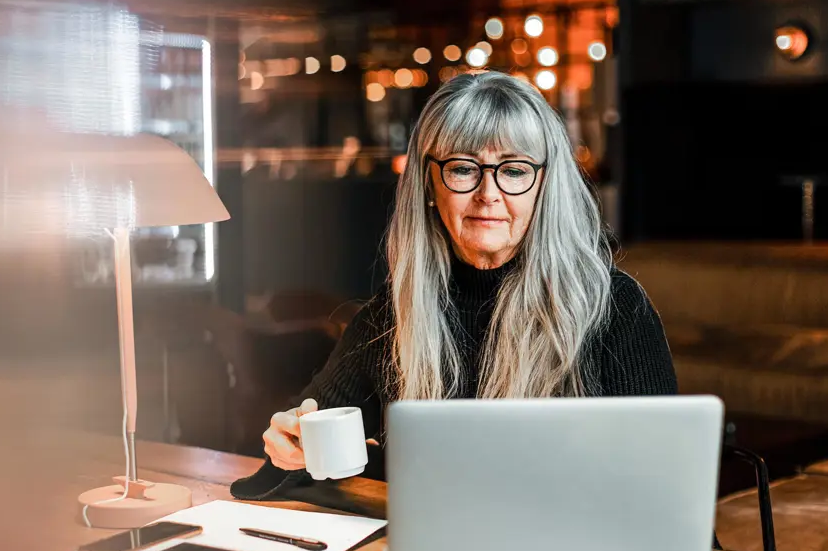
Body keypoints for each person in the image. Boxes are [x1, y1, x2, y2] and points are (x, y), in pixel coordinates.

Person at [241, 71, 677, 493]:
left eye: (514, 170)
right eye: (464, 168)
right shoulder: (393, 315)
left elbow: (663, 492)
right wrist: (289, 448)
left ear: (544, 184)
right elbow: (307, 455)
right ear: (429, 182)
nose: (489, 193)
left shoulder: (614, 308)